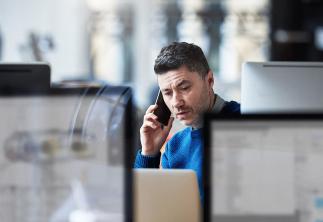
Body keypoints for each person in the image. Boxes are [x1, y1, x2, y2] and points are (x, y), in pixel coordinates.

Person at [134, 42, 240, 198]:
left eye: (184, 88)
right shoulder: (175, 147)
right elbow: (144, 207)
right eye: (167, 93)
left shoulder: (247, 122)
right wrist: (149, 154)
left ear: (209, 80)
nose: (176, 102)